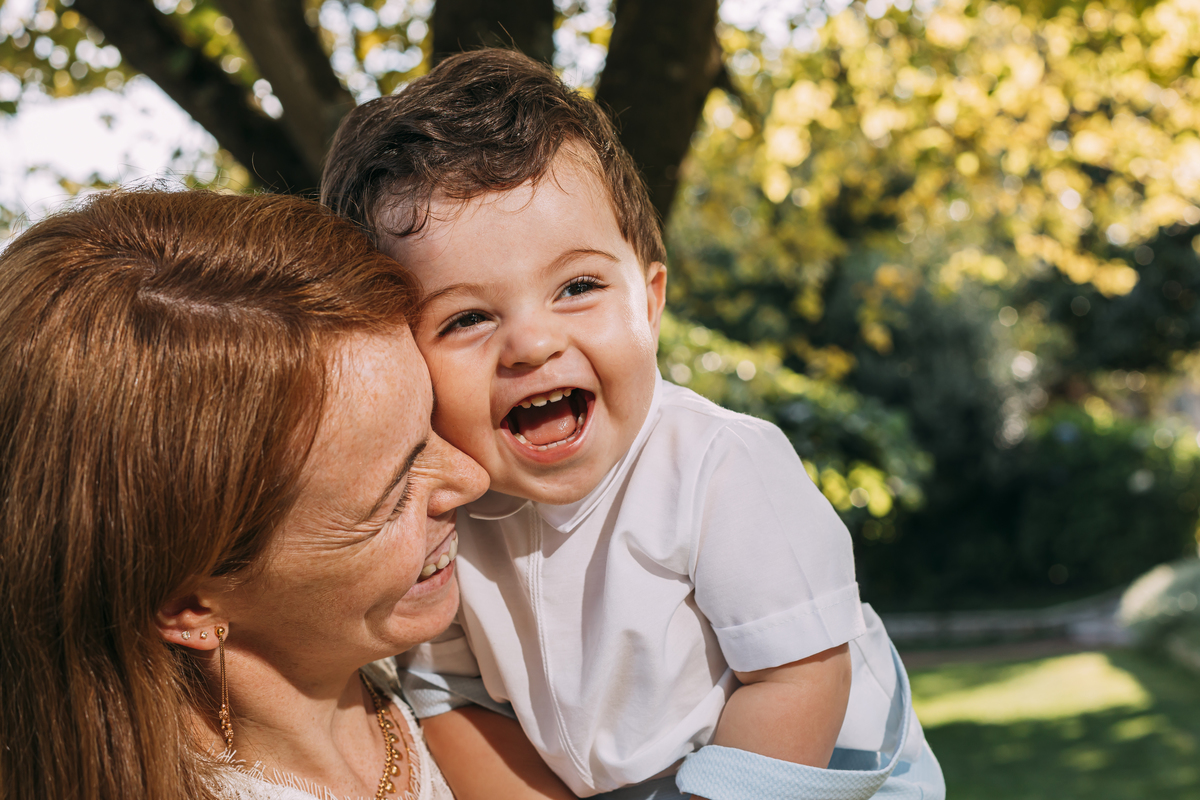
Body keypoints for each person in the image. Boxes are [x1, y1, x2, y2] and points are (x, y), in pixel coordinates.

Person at [321, 49, 945, 800]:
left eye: (577, 286)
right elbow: (454, 701)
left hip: (804, 771)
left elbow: (799, 674)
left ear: (648, 303)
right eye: (467, 318)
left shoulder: (719, 466)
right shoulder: (445, 520)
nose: (533, 342)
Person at [0, 190, 576, 800]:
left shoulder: (467, 639)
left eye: (433, 421)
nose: (472, 478)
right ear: (190, 605)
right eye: (393, 492)